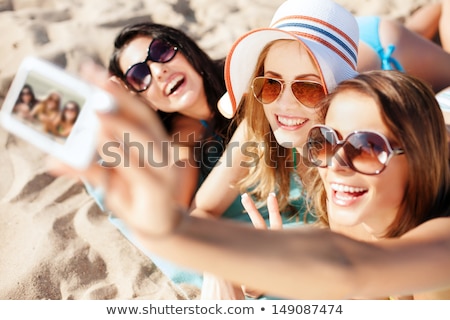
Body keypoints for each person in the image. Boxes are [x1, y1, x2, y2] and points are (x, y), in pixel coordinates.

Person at [50, 69, 450, 300]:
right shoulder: (345, 202)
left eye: (367, 147)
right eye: (325, 141)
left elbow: (349, 267)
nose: (338, 164)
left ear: (421, 156)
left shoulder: (442, 243)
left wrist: (176, 231)